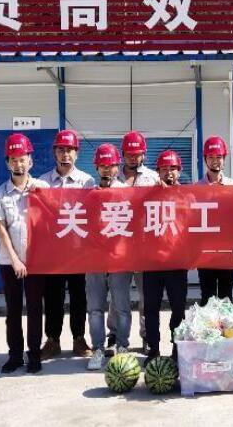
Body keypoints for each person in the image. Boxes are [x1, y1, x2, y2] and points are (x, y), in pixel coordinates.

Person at [0, 133, 49, 374]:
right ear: (7, 163)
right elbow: (0, 229)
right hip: (9, 261)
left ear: (30, 161)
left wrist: (41, 195)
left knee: (35, 309)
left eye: (22, 159)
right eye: (13, 159)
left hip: (36, 261)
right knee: (13, 311)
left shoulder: (42, 188)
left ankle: (34, 355)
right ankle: (15, 355)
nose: (18, 164)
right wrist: (14, 260)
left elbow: (56, 217)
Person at [38, 129, 95, 361]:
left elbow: (93, 214)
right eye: (61, 149)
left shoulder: (87, 182)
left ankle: (79, 338)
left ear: (76, 153)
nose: (65, 154)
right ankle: (52, 340)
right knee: (53, 296)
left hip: (78, 250)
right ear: (55, 152)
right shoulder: (42, 182)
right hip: (53, 251)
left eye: (70, 150)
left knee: (79, 296)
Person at [84, 144, 132, 370]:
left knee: (121, 306)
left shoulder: (128, 193)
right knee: (95, 308)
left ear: (117, 167)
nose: (106, 169)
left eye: (111, 165)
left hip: (120, 259)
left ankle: (122, 346)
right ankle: (98, 350)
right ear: (96, 167)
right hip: (94, 259)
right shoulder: (88, 193)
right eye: (102, 165)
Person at [142, 149, 189, 364]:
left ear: (179, 171)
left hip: (177, 262)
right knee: (151, 308)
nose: (168, 173)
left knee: (178, 309)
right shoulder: (148, 195)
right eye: (164, 169)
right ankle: (153, 349)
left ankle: (177, 348)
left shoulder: (187, 196)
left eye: (173, 169)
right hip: (152, 262)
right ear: (158, 171)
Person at [117, 130, 161, 354]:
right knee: (118, 297)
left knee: (147, 296)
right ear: (122, 154)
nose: (133, 158)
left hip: (145, 248)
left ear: (144, 154)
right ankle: (116, 336)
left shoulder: (153, 178)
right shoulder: (112, 176)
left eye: (137, 154)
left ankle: (147, 336)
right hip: (119, 247)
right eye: (129, 154)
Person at [195, 136, 233, 305]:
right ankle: (209, 324)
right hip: (205, 251)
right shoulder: (196, 188)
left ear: (224, 159)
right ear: (205, 159)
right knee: (208, 297)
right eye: (211, 157)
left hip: (227, 250)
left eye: (219, 157)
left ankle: (225, 323)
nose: (215, 161)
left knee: (226, 296)